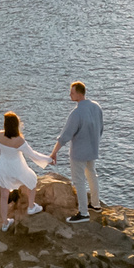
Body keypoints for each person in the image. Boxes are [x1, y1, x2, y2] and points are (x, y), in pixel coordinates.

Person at [49, 80, 104, 222]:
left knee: (79, 181)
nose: (69, 95)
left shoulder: (76, 113)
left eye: (72, 93)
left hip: (79, 153)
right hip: (92, 150)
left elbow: (65, 136)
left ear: (79, 94)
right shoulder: (97, 107)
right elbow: (101, 129)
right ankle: (96, 204)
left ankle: (83, 213)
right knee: (92, 175)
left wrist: (54, 152)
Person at [0, 110, 50, 231]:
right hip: (17, 167)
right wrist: (49, 160)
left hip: (3, 167)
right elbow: (33, 155)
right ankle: (31, 207)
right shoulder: (19, 140)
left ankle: (4, 223)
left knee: (4, 195)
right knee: (32, 181)